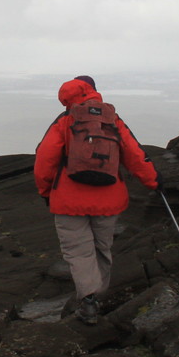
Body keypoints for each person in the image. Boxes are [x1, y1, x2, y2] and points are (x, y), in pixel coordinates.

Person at [34, 76, 160, 324]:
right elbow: (134, 154)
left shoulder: (64, 121)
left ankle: (88, 301)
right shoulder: (112, 119)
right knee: (102, 248)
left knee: (79, 252)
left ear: (65, 98)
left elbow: (44, 160)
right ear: (94, 91)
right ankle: (97, 296)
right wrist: (153, 181)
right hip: (108, 199)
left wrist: (46, 191)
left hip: (69, 201)